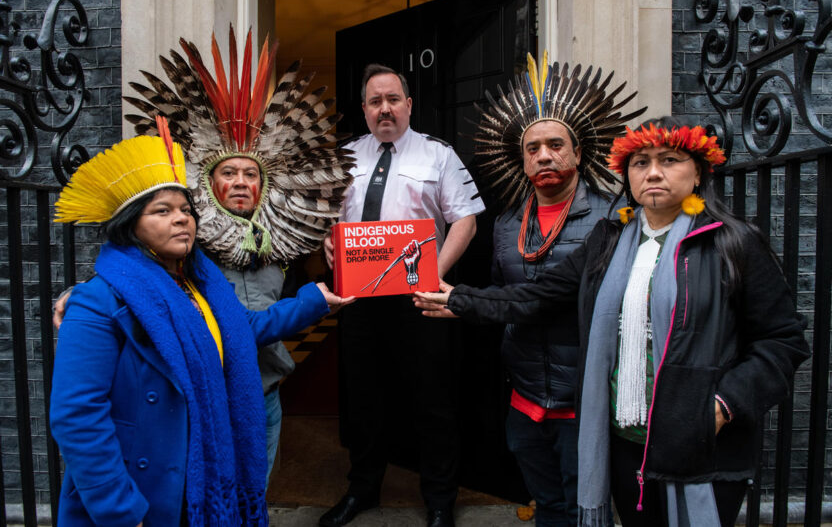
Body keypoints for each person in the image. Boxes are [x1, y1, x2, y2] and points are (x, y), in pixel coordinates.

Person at [415, 117, 810, 526]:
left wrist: (724, 405)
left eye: (670, 160)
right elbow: (537, 296)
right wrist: (462, 299)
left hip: (701, 441)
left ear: (698, 172)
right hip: (624, 440)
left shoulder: (732, 242)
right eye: (640, 163)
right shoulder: (609, 239)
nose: (653, 172)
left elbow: (783, 340)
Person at [57, 26, 357, 484]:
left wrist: (332, 260)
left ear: (266, 184)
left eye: (251, 174)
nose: (240, 181)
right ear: (207, 184)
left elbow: (297, 285)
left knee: (254, 497)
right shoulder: (182, 241)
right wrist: (79, 296)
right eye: (229, 172)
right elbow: (139, 281)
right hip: (206, 392)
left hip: (267, 390)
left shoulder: (282, 241)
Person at [470, 54, 643, 526]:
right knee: (546, 506)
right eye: (532, 149)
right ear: (521, 161)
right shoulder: (506, 226)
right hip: (524, 404)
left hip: (583, 405)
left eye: (554, 144)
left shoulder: (614, 220)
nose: (543, 155)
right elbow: (501, 296)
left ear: (579, 152)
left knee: (585, 510)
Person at [320, 64, 485, 527]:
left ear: (409, 105)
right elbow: (327, 221)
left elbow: (465, 221)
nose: (384, 109)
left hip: (421, 300)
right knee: (364, 399)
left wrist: (433, 277)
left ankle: (438, 501)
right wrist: (327, 242)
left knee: (433, 400)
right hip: (358, 302)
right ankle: (363, 490)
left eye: (393, 99)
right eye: (375, 102)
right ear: (365, 109)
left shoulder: (438, 155)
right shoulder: (345, 156)